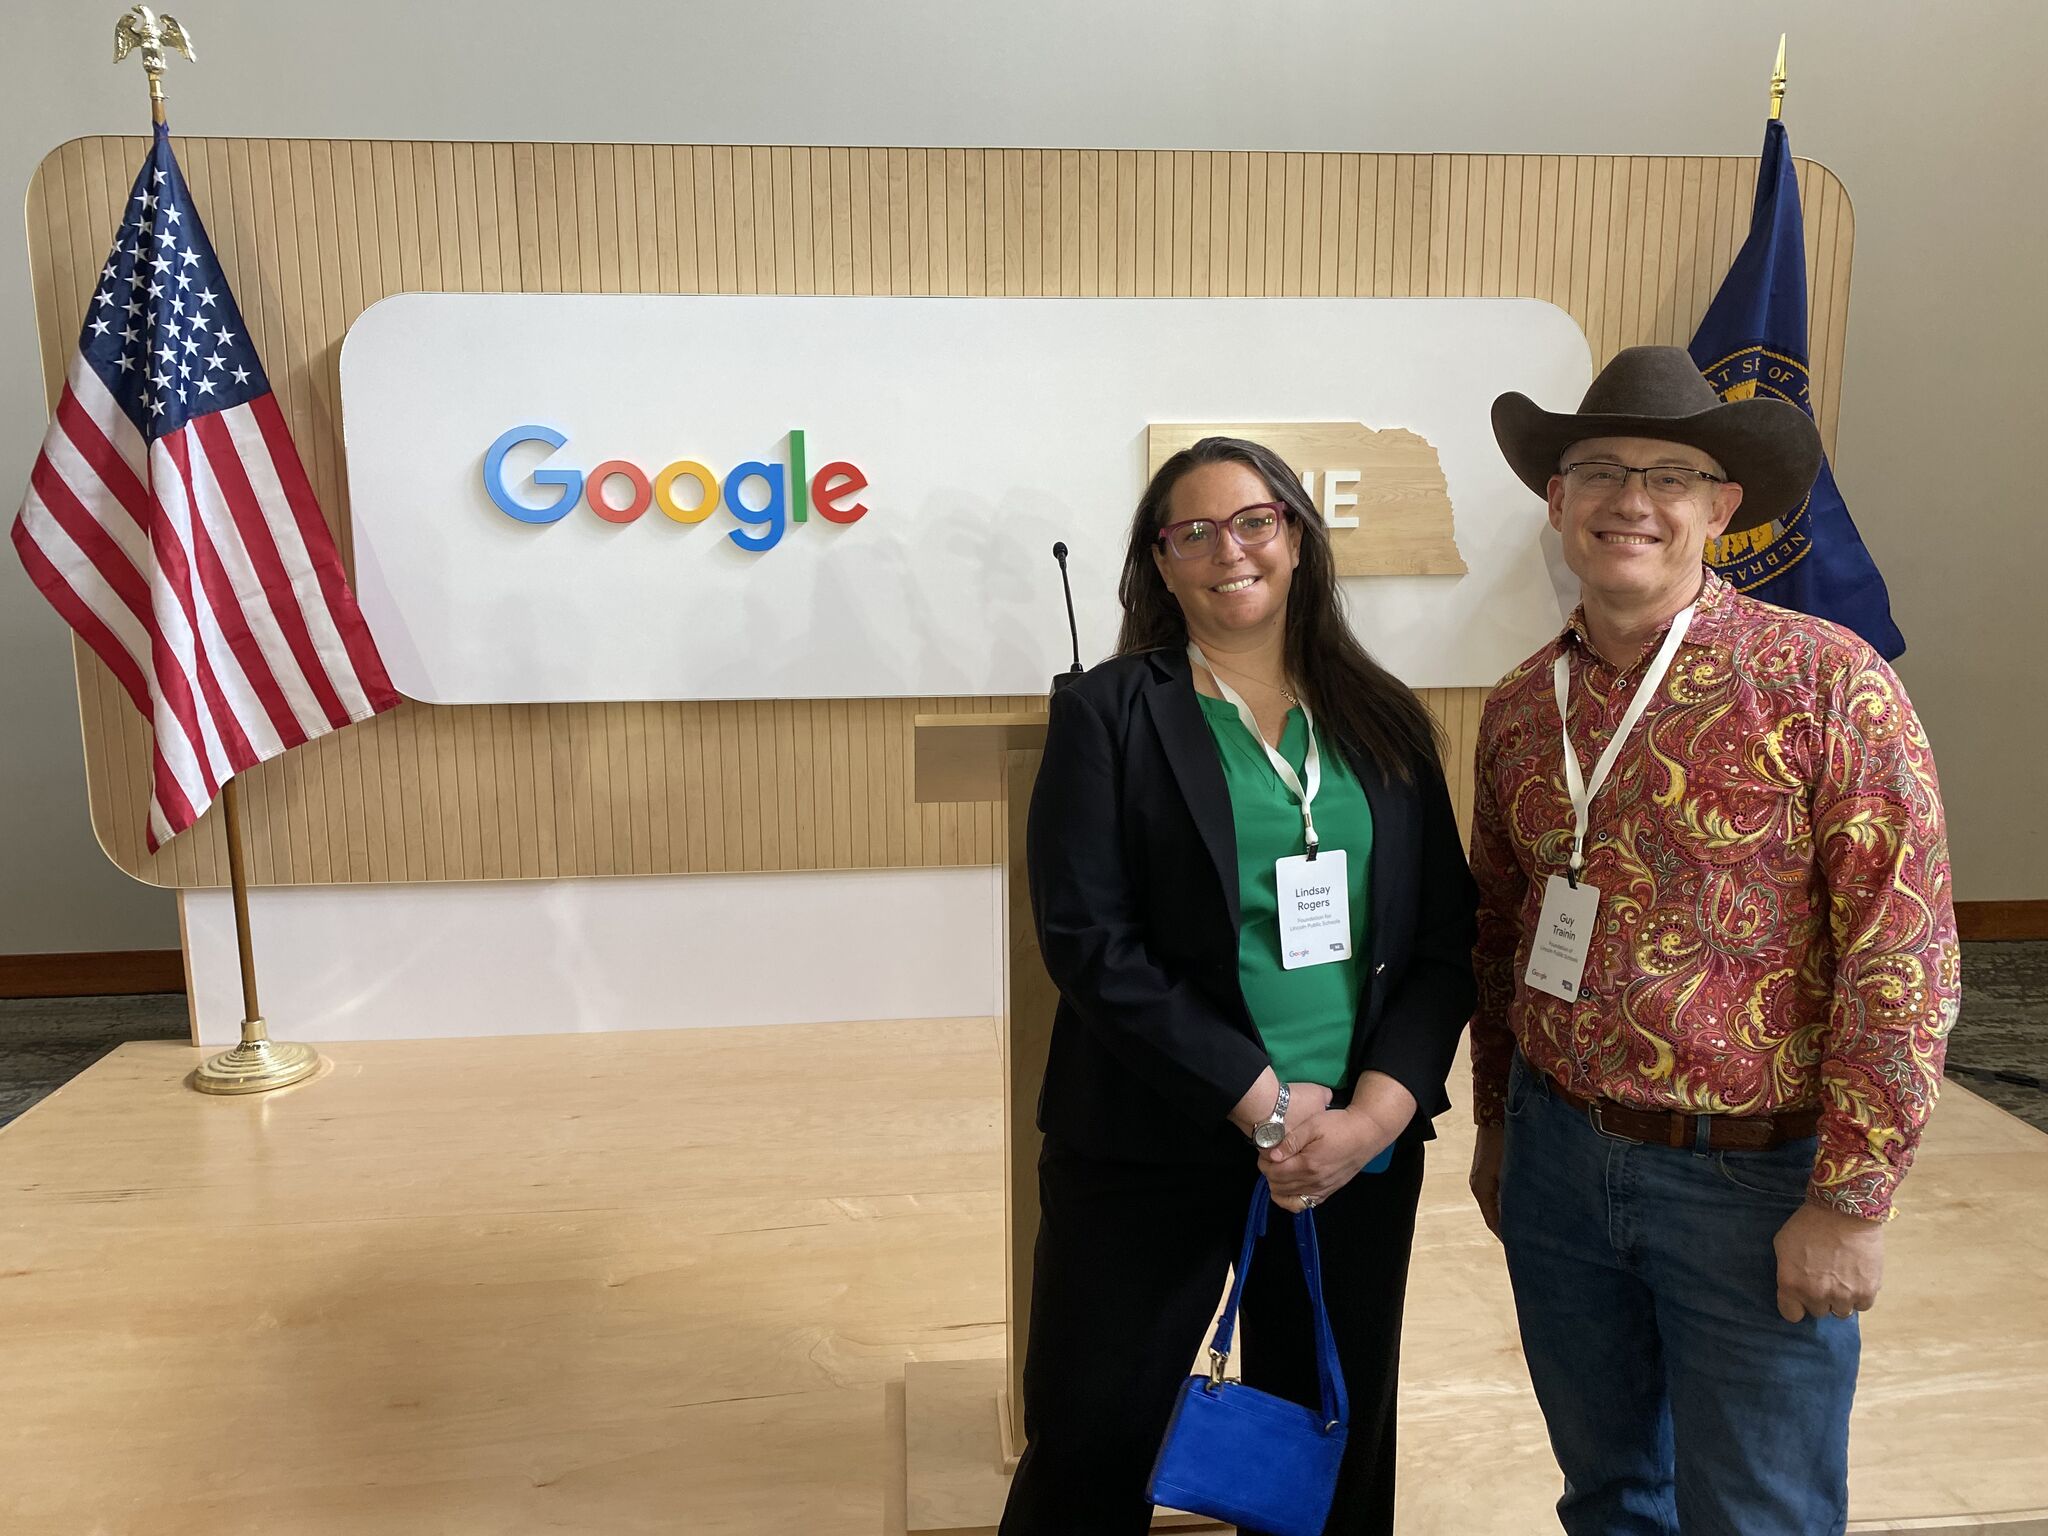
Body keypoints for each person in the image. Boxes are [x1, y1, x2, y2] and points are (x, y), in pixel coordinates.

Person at [1467, 346, 1960, 1535]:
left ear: (1719, 509)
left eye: (1669, 476)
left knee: (1757, 1514)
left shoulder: (1824, 683)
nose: (1630, 500)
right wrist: (1497, 1125)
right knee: (1610, 1498)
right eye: (1598, 470)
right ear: (1555, 499)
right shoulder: (1522, 706)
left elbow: (1903, 954)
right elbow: (1497, 929)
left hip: (1752, 1184)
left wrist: (1851, 1200)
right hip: (1557, 1167)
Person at [998, 436, 1477, 1536]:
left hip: (1351, 1147)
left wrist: (1373, 1113)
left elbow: (1443, 940)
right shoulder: (1110, 714)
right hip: (1151, 1136)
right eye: (1193, 532)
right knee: (1095, 1433)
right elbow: (1087, 940)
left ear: (1297, 541)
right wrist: (1260, 1102)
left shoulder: (1383, 716)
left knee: (1330, 1439)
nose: (1230, 551)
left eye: (1255, 521)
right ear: (1159, 565)